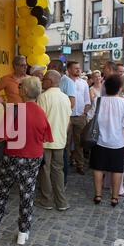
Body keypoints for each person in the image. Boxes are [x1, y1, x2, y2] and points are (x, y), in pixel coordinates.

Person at [0, 77, 53, 245]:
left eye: (20, 87)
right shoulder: (41, 112)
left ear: (24, 91)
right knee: (27, 194)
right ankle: (23, 233)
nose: (18, 88)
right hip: (33, 158)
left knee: (0, 191)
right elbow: (46, 137)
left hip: (12, 157)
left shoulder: (15, 110)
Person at [90, 75, 124, 207]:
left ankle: (97, 195)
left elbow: (90, 117)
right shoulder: (123, 103)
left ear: (105, 87)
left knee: (98, 168)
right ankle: (114, 197)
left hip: (99, 140)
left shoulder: (98, 100)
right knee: (117, 170)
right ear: (120, 88)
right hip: (117, 142)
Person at [35, 70, 71, 211]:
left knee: (45, 170)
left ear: (50, 81)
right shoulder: (65, 98)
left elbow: (39, 121)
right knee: (58, 171)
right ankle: (61, 202)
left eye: (44, 79)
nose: (42, 82)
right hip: (60, 140)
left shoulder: (43, 97)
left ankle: (47, 200)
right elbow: (68, 121)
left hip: (45, 141)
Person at [66, 61, 91, 175]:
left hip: (80, 116)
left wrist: (85, 113)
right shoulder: (64, 82)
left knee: (79, 143)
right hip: (67, 117)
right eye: (75, 68)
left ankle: (80, 165)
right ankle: (65, 164)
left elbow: (87, 100)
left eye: (79, 68)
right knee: (65, 142)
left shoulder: (84, 83)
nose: (78, 70)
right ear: (69, 69)